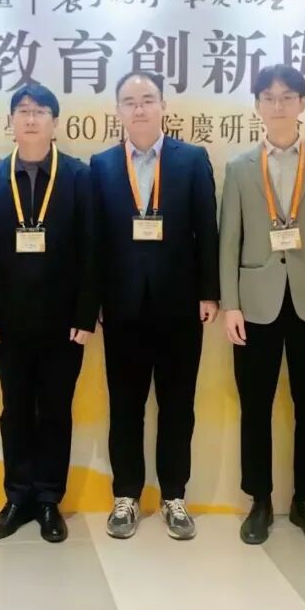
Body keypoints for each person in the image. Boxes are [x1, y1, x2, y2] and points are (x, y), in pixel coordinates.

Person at [219, 64, 305, 547]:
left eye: (286, 97)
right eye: (268, 97)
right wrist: (230, 305)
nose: (277, 106)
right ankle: (259, 501)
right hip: (254, 305)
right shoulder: (239, 166)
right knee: (254, 405)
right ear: (257, 105)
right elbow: (229, 240)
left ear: (302, 103)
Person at [90, 71, 220, 541]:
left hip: (180, 306)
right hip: (121, 306)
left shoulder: (192, 159)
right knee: (125, 406)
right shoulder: (102, 165)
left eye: (148, 99)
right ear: (118, 111)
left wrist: (209, 292)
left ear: (164, 105)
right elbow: (94, 241)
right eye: (129, 101)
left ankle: (174, 496)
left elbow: (207, 228)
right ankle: (126, 495)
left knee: (177, 405)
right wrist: (94, 302)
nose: (139, 108)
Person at [0, 84, 98, 543]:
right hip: (7, 324)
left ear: (55, 122)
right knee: (16, 411)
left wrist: (85, 315)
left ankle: (48, 499)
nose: (30, 119)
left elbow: (92, 250)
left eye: (40, 111)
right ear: (10, 121)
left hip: (65, 324)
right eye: (23, 111)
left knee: (56, 411)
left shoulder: (79, 177)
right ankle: (17, 497)